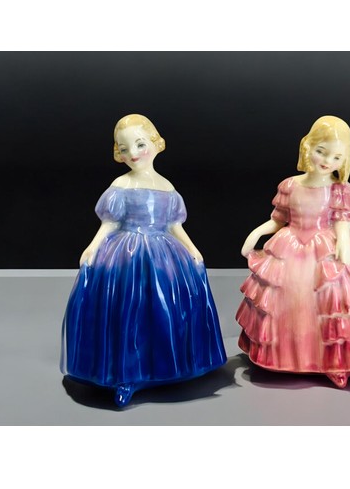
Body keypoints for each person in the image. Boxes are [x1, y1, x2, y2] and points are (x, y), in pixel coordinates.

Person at [61, 114, 226, 406]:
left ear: (155, 143)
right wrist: (93, 246)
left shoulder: (167, 187)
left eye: (140, 144)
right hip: (126, 252)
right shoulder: (121, 184)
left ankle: (167, 364)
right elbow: (110, 223)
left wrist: (192, 248)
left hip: (163, 254)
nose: (133, 154)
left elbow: (174, 225)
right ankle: (126, 372)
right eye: (125, 148)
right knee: (128, 308)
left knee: (165, 307)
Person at [236, 115, 350, 388]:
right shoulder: (290, 185)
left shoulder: (339, 190)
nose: (327, 161)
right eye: (321, 151)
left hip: (325, 246)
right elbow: (279, 219)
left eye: (337, 157)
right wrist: (256, 233)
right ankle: (287, 356)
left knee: (334, 302)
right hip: (291, 244)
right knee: (287, 300)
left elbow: (341, 221)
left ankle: (335, 360)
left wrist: (344, 244)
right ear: (307, 147)